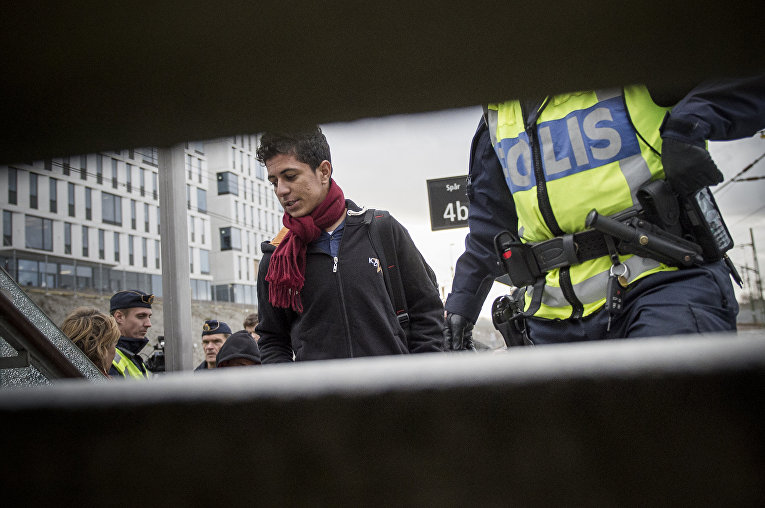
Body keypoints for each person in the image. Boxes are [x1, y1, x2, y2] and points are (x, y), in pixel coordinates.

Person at [445, 78, 765, 348]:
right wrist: (462, 306)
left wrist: (691, 123)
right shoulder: (498, 110)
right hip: (552, 316)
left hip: (662, 281)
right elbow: (490, 223)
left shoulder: (629, 49)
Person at [255, 126, 445, 362]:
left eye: (290, 176)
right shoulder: (277, 259)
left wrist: (421, 376)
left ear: (324, 171)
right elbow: (272, 340)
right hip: (320, 388)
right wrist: (293, 384)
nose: (281, 190)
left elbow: (427, 312)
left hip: (396, 384)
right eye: (274, 182)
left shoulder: (382, 229)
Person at [61, 307, 120, 377]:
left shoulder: (56, 369)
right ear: (102, 351)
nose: (115, 352)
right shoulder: (98, 382)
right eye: (114, 345)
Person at [109, 289, 153, 378]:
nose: (148, 324)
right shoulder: (107, 359)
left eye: (149, 317)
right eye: (141, 316)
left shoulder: (131, 357)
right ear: (119, 317)